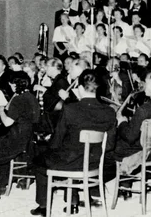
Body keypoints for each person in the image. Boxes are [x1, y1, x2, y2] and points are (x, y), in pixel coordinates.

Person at [30, 72, 117, 216]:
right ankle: (73, 201)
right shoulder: (109, 111)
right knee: (72, 154)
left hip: (71, 162)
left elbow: (56, 141)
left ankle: (44, 206)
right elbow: (110, 145)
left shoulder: (71, 109)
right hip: (96, 163)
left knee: (39, 160)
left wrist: (50, 147)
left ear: (81, 88)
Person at [0, 74, 41, 194]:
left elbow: (7, 122)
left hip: (17, 138)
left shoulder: (18, 100)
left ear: (15, 85)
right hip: (28, 138)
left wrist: (0, 110)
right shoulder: (30, 96)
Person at [112, 69, 151, 160]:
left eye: (146, 83)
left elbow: (130, 137)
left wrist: (122, 123)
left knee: (108, 149)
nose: (144, 86)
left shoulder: (144, 109)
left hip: (140, 152)